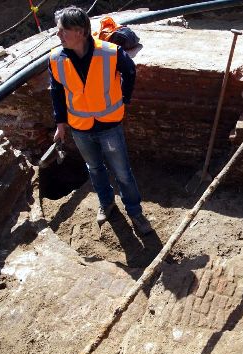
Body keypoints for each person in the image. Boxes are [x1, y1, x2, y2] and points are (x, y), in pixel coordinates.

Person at [48, 6, 153, 235]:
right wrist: (60, 123)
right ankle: (106, 204)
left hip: (109, 125)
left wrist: (124, 98)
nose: (58, 35)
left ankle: (135, 212)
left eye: (63, 30)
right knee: (94, 169)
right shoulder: (56, 59)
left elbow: (130, 72)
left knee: (122, 172)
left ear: (81, 32)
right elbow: (56, 89)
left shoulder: (111, 52)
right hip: (80, 127)